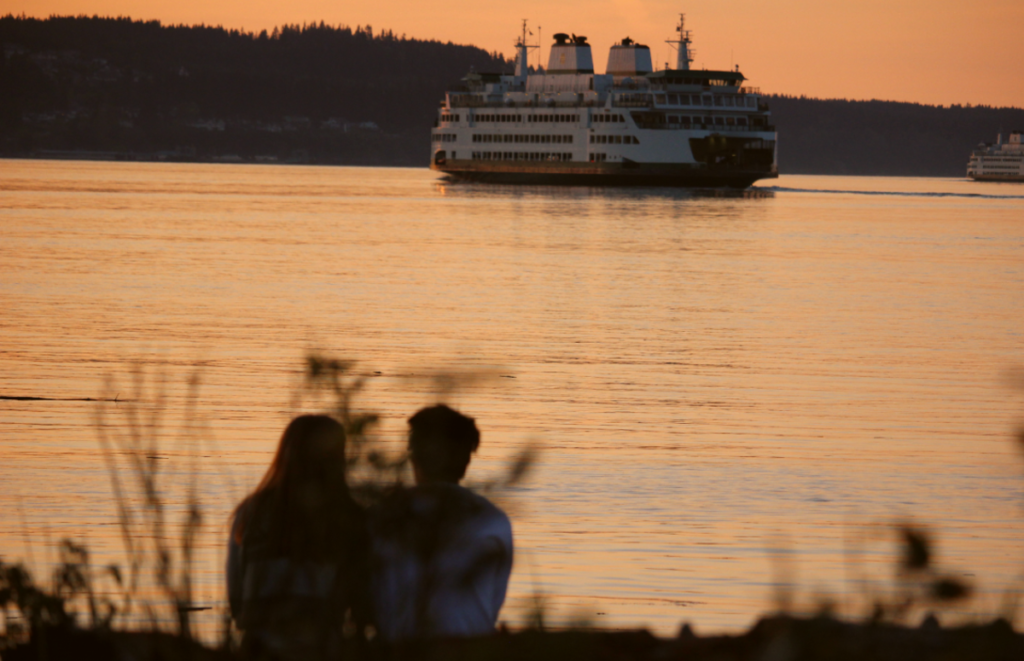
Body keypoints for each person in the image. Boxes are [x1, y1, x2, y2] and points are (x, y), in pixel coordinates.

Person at [227, 415, 370, 660]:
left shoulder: (249, 513)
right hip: (321, 650)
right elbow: (363, 606)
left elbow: (236, 600)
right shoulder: (350, 518)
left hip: (256, 650)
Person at [370, 404, 513, 640]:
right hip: (471, 649)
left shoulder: (381, 516)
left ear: (413, 456)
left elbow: (371, 599)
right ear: (466, 459)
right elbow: (492, 604)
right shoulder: (494, 521)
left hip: (400, 650)